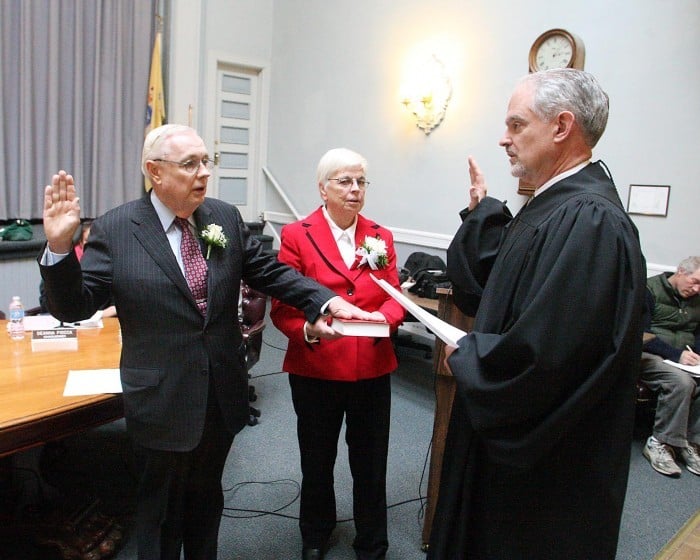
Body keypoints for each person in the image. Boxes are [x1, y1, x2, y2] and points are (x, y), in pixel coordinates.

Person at [39, 124, 374, 560]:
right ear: (154, 172)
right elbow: (74, 307)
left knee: (205, 507)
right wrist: (60, 248)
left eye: (205, 162)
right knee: (158, 516)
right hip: (160, 398)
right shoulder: (118, 228)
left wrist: (324, 300)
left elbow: (270, 273)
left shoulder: (222, 216)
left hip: (220, 393)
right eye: (190, 164)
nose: (204, 173)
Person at [429, 69, 647, 560]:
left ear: (561, 126)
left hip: (547, 472)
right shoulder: (554, 206)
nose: (503, 139)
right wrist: (481, 211)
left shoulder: (591, 221)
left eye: (516, 124)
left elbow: (551, 355)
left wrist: (473, 355)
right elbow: (501, 288)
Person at [269, 148, 405, 560]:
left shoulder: (380, 236)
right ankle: (315, 535)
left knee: (370, 462)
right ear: (322, 188)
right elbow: (283, 309)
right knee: (317, 459)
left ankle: (372, 541)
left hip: (371, 368)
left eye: (361, 181)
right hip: (316, 369)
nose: (355, 190)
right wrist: (309, 330)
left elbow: (395, 296)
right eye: (345, 181)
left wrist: (381, 320)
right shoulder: (296, 235)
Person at [640, 256, 700, 477]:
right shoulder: (649, 289)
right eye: (694, 281)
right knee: (681, 382)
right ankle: (660, 442)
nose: (696, 289)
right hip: (650, 353)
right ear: (681, 271)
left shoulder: (696, 299)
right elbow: (641, 333)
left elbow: (696, 333)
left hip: (684, 357)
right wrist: (676, 355)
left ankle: (690, 442)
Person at [39, 219, 116, 317]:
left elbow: (115, 304)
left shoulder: (109, 262)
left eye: (97, 241)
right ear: (80, 242)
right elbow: (46, 300)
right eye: (88, 241)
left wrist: (97, 316)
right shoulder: (62, 261)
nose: (92, 245)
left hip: (103, 321)